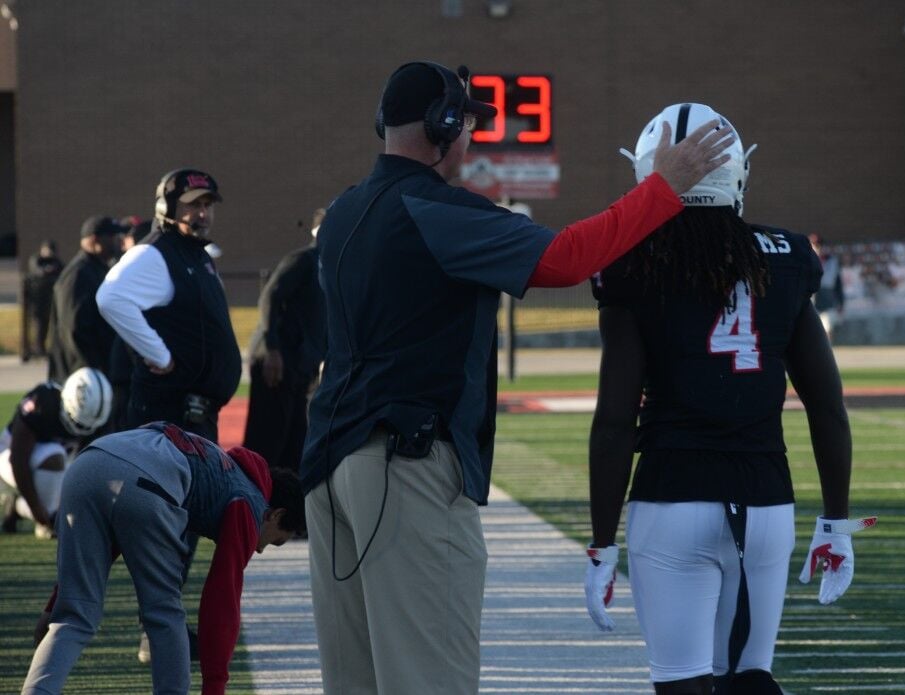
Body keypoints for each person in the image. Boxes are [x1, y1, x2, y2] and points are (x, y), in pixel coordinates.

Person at [300, 61, 734, 694]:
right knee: (430, 680)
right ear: (443, 125)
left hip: (333, 465)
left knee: (358, 683)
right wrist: (662, 189)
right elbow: (566, 259)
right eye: (467, 122)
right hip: (405, 469)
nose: (472, 138)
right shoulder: (433, 208)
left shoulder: (343, 209)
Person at [584, 103, 875, 695]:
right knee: (749, 679)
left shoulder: (633, 263)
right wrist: (836, 521)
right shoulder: (786, 257)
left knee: (682, 684)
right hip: (766, 501)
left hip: (672, 498)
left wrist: (599, 543)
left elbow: (615, 419)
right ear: (739, 173)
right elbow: (827, 405)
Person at [21, 422, 305, 695]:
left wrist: (58, 600)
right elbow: (222, 599)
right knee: (164, 613)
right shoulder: (251, 503)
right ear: (276, 515)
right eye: (275, 540)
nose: (260, 549)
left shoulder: (222, 465)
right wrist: (214, 686)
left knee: (73, 616)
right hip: (147, 484)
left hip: (87, 464)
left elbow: (118, 511)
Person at [96, 169, 240, 444]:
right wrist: (159, 354)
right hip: (169, 414)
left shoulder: (197, 254)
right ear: (167, 207)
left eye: (208, 205)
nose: (203, 213)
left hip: (195, 416)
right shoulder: (154, 252)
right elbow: (110, 298)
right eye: (193, 205)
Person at [243, 208, 327, 472]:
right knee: (267, 444)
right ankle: (251, 506)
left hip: (300, 367)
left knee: (294, 446)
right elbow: (270, 296)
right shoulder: (304, 259)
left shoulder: (329, 264)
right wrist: (272, 349)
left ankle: (283, 507)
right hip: (278, 365)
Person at [0, 368, 112, 537]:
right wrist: (38, 510)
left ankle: (18, 507)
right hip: (8, 458)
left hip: (56, 466)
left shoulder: (97, 418)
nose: (81, 430)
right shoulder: (43, 401)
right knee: (55, 454)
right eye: (78, 423)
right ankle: (42, 517)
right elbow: (18, 460)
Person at [47, 216, 125, 384]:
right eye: (111, 238)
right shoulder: (77, 275)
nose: (116, 242)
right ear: (94, 240)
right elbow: (73, 329)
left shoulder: (97, 269)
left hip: (95, 373)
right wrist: (93, 370)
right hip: (81, 378)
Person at [105, 219, 150, 433]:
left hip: (130, 371)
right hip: (128, 371)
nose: (123, 244)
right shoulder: (133, 273)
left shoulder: (136, 273)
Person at [23, 241, 64, 360]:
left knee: (47, 325)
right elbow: (37, 271)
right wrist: (48, 270)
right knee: (39, 324)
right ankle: (38, 348)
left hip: (50, 300)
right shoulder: (37, 259)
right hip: (37, 299)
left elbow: (62, 271)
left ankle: (43, 348)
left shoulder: (56, 262)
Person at [808, 233, 844, 342]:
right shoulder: (806, 260)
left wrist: (841, 302)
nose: (817, 248)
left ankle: (827, 351)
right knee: (811, 328)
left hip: (827, 299)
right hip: (811, 299)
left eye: (819, 245)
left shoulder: (832, 261)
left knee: (827, 327)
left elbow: (838, 284)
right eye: (814, 245)